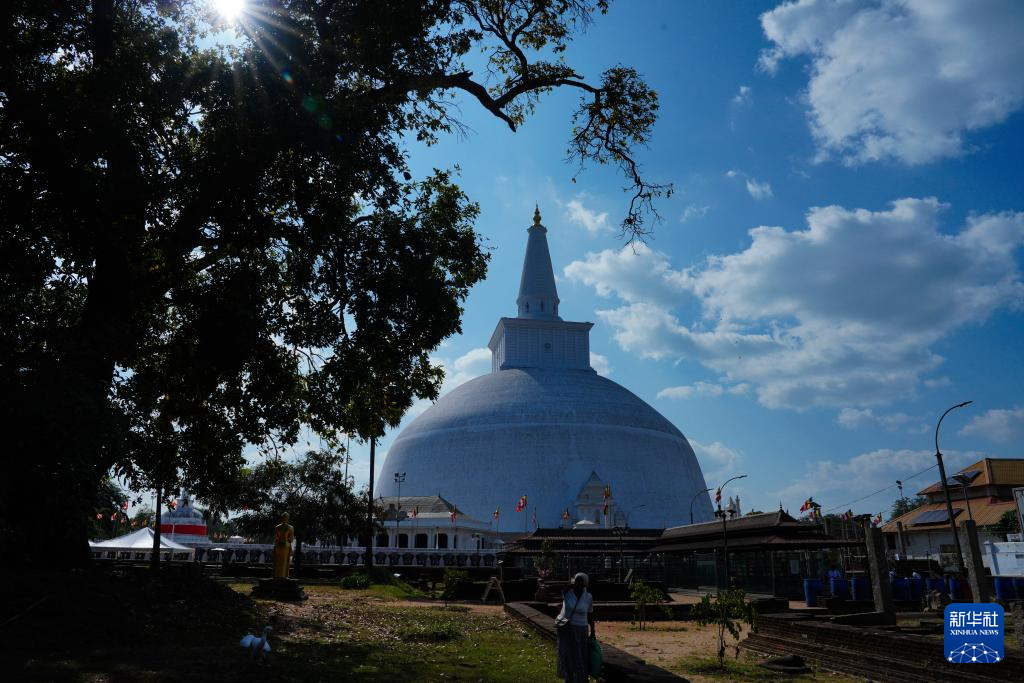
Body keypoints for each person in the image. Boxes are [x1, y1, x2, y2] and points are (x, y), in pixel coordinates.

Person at [556, 572, 595, 682]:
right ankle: (569, 677)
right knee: (568, 655)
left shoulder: (588, 597)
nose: (577, 584)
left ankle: (581, 678)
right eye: (576, 581)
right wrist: (571, 585)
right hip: (568, 629)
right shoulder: (568, 593)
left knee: (580, 655)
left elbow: (590, 615)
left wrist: (593, 631)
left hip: (582, 629)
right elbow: (561, 588)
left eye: (580, 582)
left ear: (585, 584)